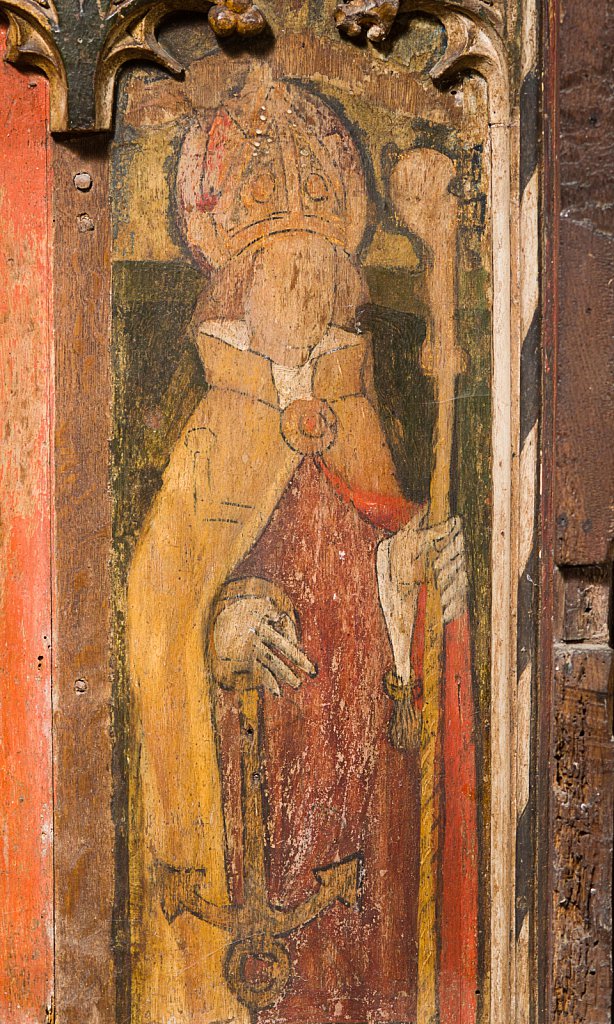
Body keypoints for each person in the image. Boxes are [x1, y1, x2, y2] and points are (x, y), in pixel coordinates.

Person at [127, 68, 478, 1024]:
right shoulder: (214, 429)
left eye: (328, 275)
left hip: (356, 779)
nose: (314, 294)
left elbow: (380, 544)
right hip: (256, 782)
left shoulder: (358, 412)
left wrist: (406, 574)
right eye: (290, 270)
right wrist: (215, 629)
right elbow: (158, 602)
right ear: (238, 285)